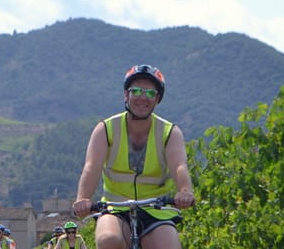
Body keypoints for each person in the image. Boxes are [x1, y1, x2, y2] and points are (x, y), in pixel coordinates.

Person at [72, 64, 195, 249]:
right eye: (136, 91)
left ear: (157, 99)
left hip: (156, 210)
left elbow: (179, 166)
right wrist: (83, 198)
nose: (143, 97)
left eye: (150, 93)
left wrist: (185, 191)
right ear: (126, 95)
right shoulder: (106, 129)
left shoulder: (170, 132)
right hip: (115, 209)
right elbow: (92, 166)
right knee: (108, 240)